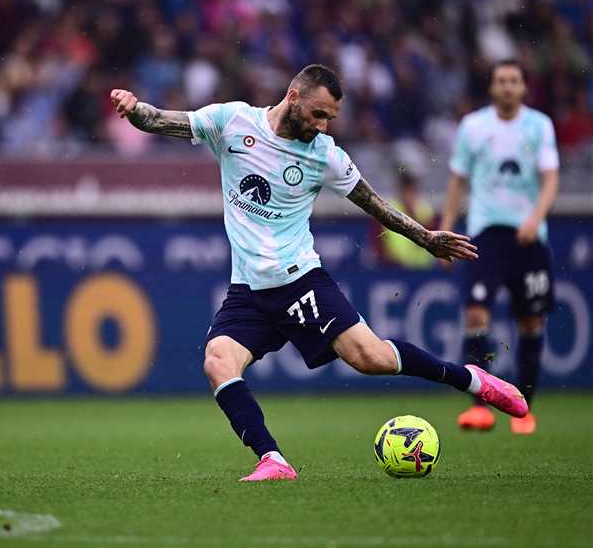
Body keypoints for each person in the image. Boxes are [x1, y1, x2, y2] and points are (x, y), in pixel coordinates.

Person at [110, 64, 528, 482]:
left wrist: (425, 237)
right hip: (248, 290)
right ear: (293, 96)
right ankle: (272, 459)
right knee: (218, 360)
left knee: (372, 358)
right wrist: (134, 107)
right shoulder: (233, 121)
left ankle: (472, 379)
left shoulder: (324, 154)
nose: (323, 125)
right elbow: (161, 121)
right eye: (318, 114)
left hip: (300, 281)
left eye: (330, 118)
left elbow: (374, 204)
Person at [440, 60, 559, 435]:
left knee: (531, 321)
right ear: (491, 87)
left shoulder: (539, 125)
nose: (508, 86)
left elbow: (550, 178)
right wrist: (446, 229)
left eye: (514, 81)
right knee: (476, 315)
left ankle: (524, 410)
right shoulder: (473, 126)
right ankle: (481, 407)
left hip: (528, 236)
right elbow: (457, 181)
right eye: (501, 81)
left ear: (524, 87)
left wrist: (535, 218)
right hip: (485, 234)